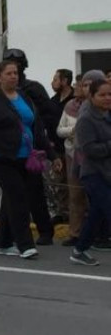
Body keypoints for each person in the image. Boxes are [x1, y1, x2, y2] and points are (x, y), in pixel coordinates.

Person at [0, 59, 60, 259]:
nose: (13, 76)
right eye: (9, 73)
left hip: (26, 157)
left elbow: (37, 129)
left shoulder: (24, 97)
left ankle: (2, 243)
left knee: (13, 199)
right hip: (1, 157)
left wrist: (52, 155)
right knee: (18, 197)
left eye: (15, 73)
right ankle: (25, 244)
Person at [58, 71, 108, 248]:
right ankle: (76, 235)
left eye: (88, 85)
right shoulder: (75, 108)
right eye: (82, 85)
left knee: (96, 204)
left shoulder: (103, 110)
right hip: (78, 159)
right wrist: (71, 132)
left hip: (100, 164)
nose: (83, 88)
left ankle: (90, 241)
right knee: (77, 197)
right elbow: (61, 130)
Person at [71, 74, 111, 266]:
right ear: (92, 97)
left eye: (109, 94)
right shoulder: (86, 119)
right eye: (102, 95)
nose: (107, 98)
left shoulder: (107, 115)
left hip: (108, 173)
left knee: (97, 213)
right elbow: (89, 149)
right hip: (93, 174)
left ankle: (79, 250)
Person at [48, 69, 76, 224]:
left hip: (72, 148)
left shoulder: (74, 102)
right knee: (58, 182)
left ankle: (75, 213)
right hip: (55, 149)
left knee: (74, 182)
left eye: (55, 79)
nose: (53, 83)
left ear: (64, 81)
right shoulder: (52, 101)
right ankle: (62, 212)